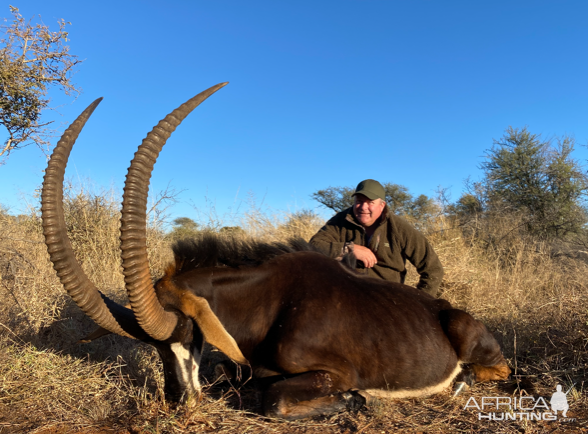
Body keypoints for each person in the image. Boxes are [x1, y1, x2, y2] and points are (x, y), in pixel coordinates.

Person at [310, 179, 444, 297]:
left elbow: (433, 269)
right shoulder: (341, 220)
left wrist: (419, 302)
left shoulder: (399, 228)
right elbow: (314, 245)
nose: (363, 207)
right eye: (359, 201)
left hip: (387, 299)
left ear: (382, 205)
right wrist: (349, 249)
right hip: (347, 296)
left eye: (370, 202)